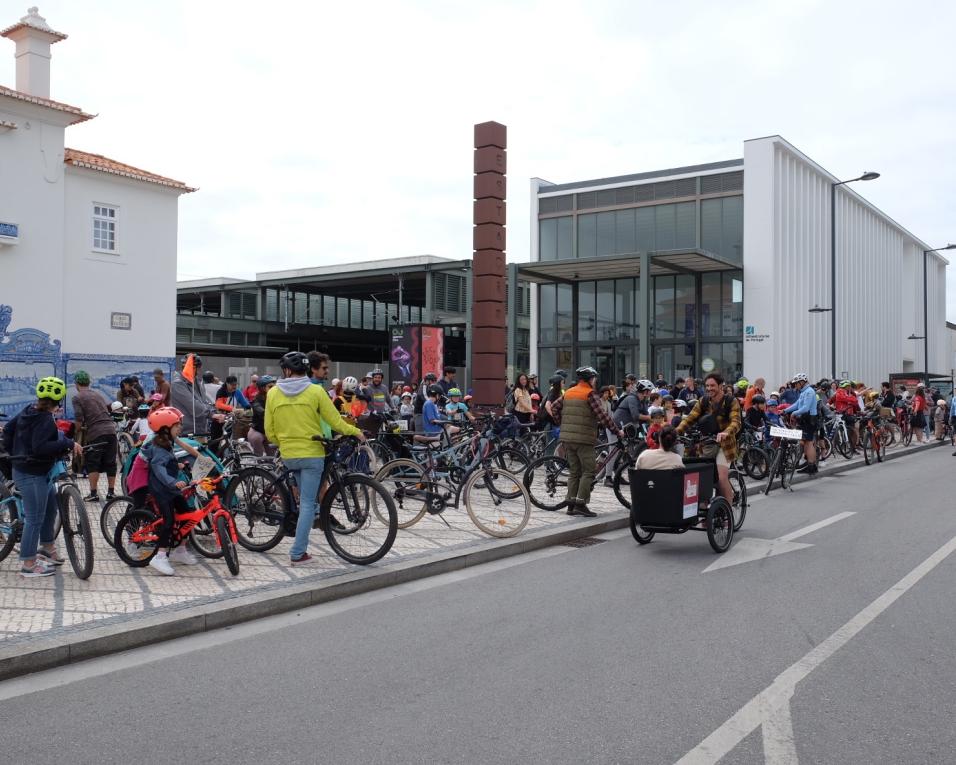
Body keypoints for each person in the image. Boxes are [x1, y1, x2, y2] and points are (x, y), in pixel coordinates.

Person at [265, 351, 364, 565]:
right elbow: (335, 421)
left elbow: (269, 430)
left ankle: (295, 534)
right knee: (309, 504)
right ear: (307, 369)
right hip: (312, 454)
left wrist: (284, 443)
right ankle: (297, 553)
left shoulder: (273, 393)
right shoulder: (315, 392)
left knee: (304, 501)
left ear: (287, 370)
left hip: (290, 455)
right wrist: (354, 432)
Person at [2, 377, 83, 577]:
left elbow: (9, 430)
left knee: (50, 510)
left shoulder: (30, 410)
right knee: (34, 518)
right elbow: (41, 447)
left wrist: (16, 451)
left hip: (35, 470)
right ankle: (28, 564)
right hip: (31, 473)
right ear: (59, 400)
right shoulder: (45, 418)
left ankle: (47, 548)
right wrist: (68, 445)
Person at [549, 366, 625, 517]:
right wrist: (618, 431)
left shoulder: (569, 392)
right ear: (590, 379)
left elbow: (553, 407)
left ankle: (570, 504)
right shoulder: (589, 394)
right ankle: (581, 503)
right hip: (583, 439)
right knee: (589, 471)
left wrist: (562, 424)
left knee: (574, 471)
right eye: (594, 378)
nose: (595, 381)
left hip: (567, 439)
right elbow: (603, 416)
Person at [139, 406, 201, 575]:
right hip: (161, 488)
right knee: (169, 520)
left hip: (171, 487)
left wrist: (177, 465)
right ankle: (159, 557)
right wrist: (173, 482)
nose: (180, 427)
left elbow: (168, 462)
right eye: (176, 425)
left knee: (186, 514)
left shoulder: (167, 442)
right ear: (166, 429)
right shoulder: (159, 447)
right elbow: (159, 469)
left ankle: (180, 550)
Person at [675, 372, 742, 502]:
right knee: (702, 479)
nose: (709, 388)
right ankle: (706, 513)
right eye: (707, 386)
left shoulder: (731, 401)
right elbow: (689, 419)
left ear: (721, 386)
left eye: (712, 385)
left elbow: (736, 422)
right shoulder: (703, 401)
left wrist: (726, 432)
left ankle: (728, 513)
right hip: (706, 444)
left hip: (726, 444)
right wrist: (675, 432)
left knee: (722, 478)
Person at [71, 370, 119, 502]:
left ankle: (93, 493)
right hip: (111, 430)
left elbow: (79, 419)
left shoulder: (77, 397)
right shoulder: (97, 395)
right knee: (111, 462)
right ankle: (111, 493)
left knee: (93, 462)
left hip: (97, 432)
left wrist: (76, 431)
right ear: (88, 382)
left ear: (76, 383)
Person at [170, 354, 222, 436]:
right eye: (196, 368)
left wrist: (214, 411)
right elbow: (192, 404)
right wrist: (211, 415)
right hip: (186, 431)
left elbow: (203, 402)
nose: (198, 371)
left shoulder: (197, 381)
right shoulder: (178, 384)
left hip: (200, 429)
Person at [781, 373, 820, 474]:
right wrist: (785, 410)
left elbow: (805, 408)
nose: (795, 386)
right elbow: (797, 404)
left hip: (809, 419)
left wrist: (794, 413)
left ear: (802, 382)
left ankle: (811, 466)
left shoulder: (809, 392)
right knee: (806, 442)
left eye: (796, 384)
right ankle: (810, 465)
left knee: (809, 443)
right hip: (805, 419)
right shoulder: (803, 392)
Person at [247, 375, 276, 456]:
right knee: (259, 456)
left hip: (270, 432)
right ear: (263, 389)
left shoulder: (275, 398)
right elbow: (262, 412)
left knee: (273, 458)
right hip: (258, 431)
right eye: (270, 387)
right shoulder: (257, 400)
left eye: (275, 386)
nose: (273, 389)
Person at [833, 380, 861, 453]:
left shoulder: (852, 393)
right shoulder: (839, 392)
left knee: (852, 431)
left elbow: (855, 402)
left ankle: (853, 448)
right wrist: (849, 399)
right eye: (849, 386)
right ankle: (841, 447)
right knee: (841, 430)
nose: (850, 388)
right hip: (841, 414)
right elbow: (836, 399)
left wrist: (858, 409)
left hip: (850, 414)